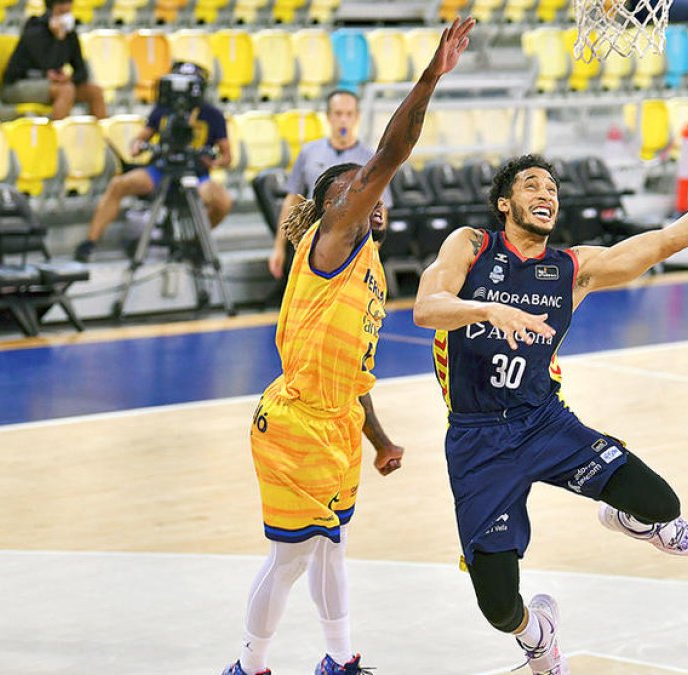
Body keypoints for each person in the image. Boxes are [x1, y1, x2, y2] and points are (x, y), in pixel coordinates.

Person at [411, 124, 688, 674]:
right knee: (497, 605)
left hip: (543, 424)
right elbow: (426, 307)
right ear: (504, 202)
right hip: (476, 438)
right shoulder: (471, 245)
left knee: (662, 505)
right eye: (533, 186)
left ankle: (631, 520)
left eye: (553, 190)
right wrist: (485, 310)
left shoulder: (571, 269)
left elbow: (667, 241)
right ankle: (537, 635)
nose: (546, 195)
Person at [220, 17, 474, 675]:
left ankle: (338, 659)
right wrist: (432, 75)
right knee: (293, 555)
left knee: (331, 548)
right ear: (341, 202)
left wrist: (380, 438)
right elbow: (391, 151)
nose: (375, 189)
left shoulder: (370, 267)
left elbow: (355, 375)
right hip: (295, 424)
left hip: (335, 424)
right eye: (360, 184)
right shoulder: (332, 238)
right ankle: (249, 665)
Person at [73, 63, 233, 263]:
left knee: (223, 201)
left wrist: (215, 162)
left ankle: (193, 242)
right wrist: (137, 146)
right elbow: (141, 139)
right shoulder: (164, 109)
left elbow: (227, 156)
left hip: (195, 174)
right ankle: (90, 242)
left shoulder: (213, 115)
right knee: (118, 185)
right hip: (161, 169)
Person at [268, 90, 394, 280]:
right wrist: (278, 248)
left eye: (349, 114)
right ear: (328, 116)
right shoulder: (309, 152)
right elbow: (291, 201)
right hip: (313, 242)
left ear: (357, 117)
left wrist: (372, 250)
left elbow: (381, 208)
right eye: (338, 113)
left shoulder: (371, 158)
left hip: (353, 243)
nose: (343, 120)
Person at [1, 0, 107, 121]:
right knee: (66, 90)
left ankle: (100, 137)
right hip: (19, 84)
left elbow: (81, 71)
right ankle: (57, 137)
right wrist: (59, 39)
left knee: (95, 91)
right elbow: (49, 65)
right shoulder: (35, 31)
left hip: (52, 84)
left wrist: (69, 78)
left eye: (68, 12)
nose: (66, 16)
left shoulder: (70, 34)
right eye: (62, 12)